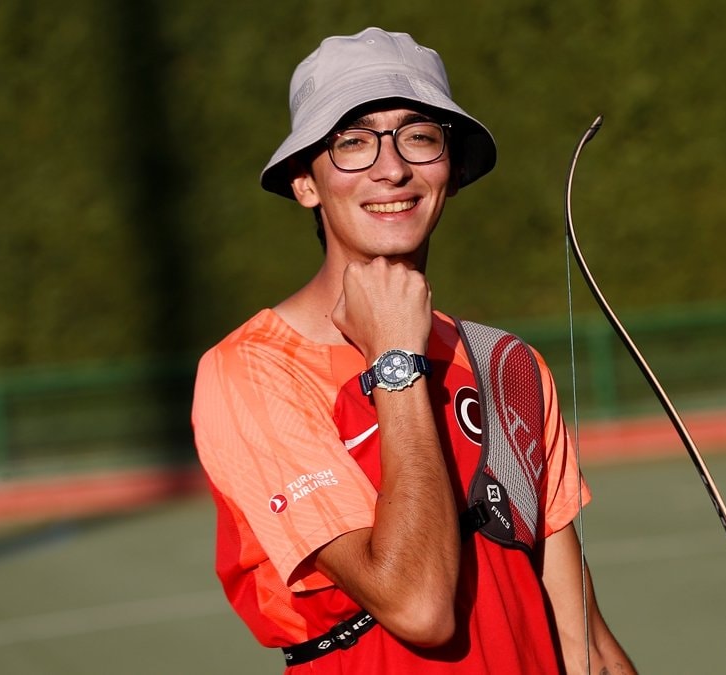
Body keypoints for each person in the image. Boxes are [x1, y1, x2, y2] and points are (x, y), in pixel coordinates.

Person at [192, 27, 638, 674]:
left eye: (420, 136)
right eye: (353, 141)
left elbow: (585, 645)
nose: (392, 168)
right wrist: (396, 358)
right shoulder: (254, 370)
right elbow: (417, 605)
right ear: (305, 182)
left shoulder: (503, 365)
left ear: (451, 172)